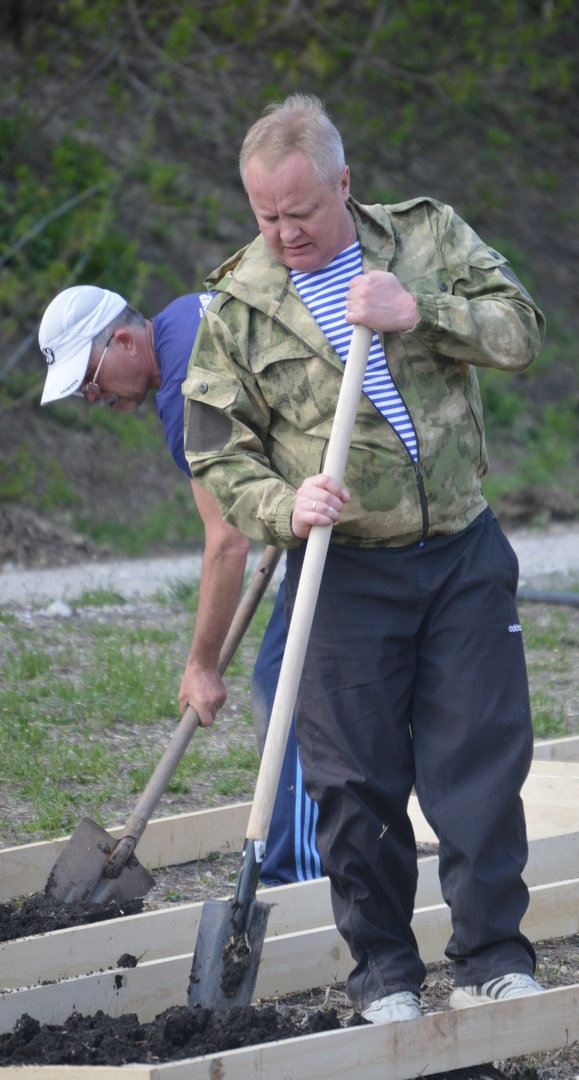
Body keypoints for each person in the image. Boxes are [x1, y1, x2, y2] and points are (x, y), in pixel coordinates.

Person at [183, 92, 546, 1024]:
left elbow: (521, 330)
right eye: (265, 215)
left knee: (480, 762)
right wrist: (282, 505)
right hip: (340, 575)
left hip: (461, 551)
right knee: (356, 787)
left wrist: (416, 310)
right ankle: (385, 976)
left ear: (343, 184)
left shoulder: (426, 237)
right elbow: (217, 450)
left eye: (301, 213)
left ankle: (493, 960)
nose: (284, 233)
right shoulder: (239, 306)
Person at [37, 284, 321, 886]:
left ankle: (297, 876)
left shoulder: (186, 389)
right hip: (330, 484)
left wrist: (202, 667)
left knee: (287, 678)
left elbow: (227, 542)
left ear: (120, 339)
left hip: (346, 501)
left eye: (89, 378)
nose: (91, 397)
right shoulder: (194, 309)